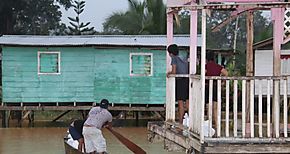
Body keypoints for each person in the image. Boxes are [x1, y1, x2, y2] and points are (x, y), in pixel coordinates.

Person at [166, 44, 189, 124]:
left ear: (171, 53)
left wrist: (169, 73)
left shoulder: (174, 59)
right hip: (187, 80)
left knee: (180, 103)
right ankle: (190, 121)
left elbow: (174, 71)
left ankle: (180, 122)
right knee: (187, 102)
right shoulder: (183, 58)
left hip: (180, 81)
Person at [205, 53, 228, 128]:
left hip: (208, 87)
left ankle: (209, 124)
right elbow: (226, 73)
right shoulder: (218, 66)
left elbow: (204, 74)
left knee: (208, 106)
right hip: (216, 87)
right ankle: (217, 124)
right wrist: (222, 82)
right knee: (215, 107)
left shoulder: (206, 66)